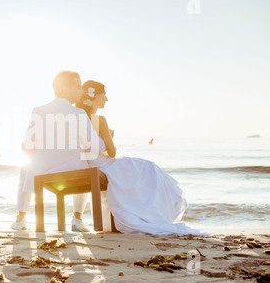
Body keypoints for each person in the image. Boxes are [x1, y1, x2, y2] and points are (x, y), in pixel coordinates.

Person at [75, 80, 207, 235]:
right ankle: (151, 213)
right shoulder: (99, 120)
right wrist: (109, 138)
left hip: (91, 164)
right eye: (104, 95)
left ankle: (143, 212)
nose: (106, 99)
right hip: (105, 164)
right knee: (150, 169)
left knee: (144, 169)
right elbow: (112, 153)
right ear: (95, 96)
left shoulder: (77, 120)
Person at [11, 71, 103, 231]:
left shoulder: (38, 111)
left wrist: (43, 159)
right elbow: (95, 148)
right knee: (88, 161)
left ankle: (20, 219)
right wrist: (104, 138)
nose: (81, 91)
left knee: (27, 167)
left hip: (43, 172)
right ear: (66, 89)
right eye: (78, 86)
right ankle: (77, 219)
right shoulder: (79, 113)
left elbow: (26, 146)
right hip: (74, 172)